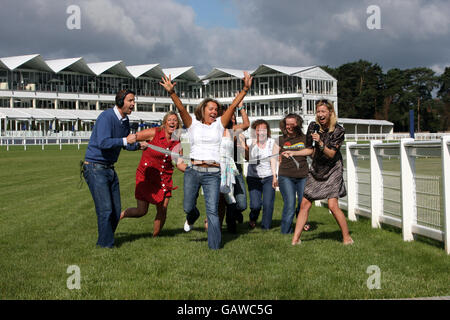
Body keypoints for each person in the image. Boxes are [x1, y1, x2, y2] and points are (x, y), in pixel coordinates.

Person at [159, 72, 253, 250]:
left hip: (213, 173)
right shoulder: (192, 124)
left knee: (212, 211)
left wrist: (245, 89)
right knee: (188, 206)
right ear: (202, 110)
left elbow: (233, 106)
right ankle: (192, 215)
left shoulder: (219, 125)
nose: (214, 112)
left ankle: (215, 247)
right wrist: (172, 93)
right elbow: (180, 108)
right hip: (193, 171)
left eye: (216, 110)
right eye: (211, 109)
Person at [283, 99, 353, 245]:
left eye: (323, 111)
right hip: (317, 168)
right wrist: (293, 153)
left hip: (333, 169)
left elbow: (331, 154)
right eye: (318, 111)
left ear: (330, 112)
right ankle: (295, 240)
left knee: (333, 205)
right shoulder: (313, 127)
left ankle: (347, 238)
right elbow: (310, 149)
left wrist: (321, 142)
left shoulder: (338, 130)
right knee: (304, 204)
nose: (320, 114)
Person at [82, 89, 144, 248]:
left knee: (116, 212)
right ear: (120, 101)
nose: (133, 104)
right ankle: (105, 246)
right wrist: (125, 140)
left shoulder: (125, 121)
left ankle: (106, 242)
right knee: (106, 210)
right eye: (130, 100)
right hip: (95, 168)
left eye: (133, 100)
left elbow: (124, 144)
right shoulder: (106, 117)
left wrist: (137, 146)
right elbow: (104, 142)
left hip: (109, 168)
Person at [120, 111, 186, 237]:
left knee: (163, 208)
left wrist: (194, 169)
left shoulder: (177, 143)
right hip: (146, 175)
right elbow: (132, 138)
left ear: (178, 125)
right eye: (170, 120)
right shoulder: (154, 132)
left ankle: (154, 237)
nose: (172, 122)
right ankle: (120, 216)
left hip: (164, 178)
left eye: (175, 120)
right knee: (141, 211)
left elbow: (180, 164)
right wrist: (138, 145)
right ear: (165, 123)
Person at [218, 97, 250, 233]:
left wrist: (241, 108)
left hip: (235, 170)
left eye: (232, 117)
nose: (231, 119)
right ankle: (229, 227)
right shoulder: (216, 131)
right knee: (225, 200)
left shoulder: (235, 131)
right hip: (219, 170)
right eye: (228, 116)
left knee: (241, 204)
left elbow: (247, 124)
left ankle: (236, 213)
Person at [278, 113, 310, 234]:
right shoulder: (280, 139)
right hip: (285, 175)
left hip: (303, 175)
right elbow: (274, 156)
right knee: (290, 203)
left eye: (292, 124)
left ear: (298, 124)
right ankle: (286, 231)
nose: (289, 127)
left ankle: (300, 225)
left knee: (303, 203)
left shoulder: (305, 138)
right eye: (287, 124)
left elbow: (310, 151)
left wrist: (293, 153)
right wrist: (274, 175)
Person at [245, 119, 278, 230]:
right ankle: (253, 217)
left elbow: (275, 159)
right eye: (259, 130)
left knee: (268, 204)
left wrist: (274, 176)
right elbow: (248, 158)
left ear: (267, 131)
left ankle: (266, 227)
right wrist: (252, 146)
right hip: (253, 178)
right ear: (255, 131)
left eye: (264, 129)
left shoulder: (272, 142)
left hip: (268, 177)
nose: (261, 132)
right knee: (255, 205)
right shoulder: (250, 142)